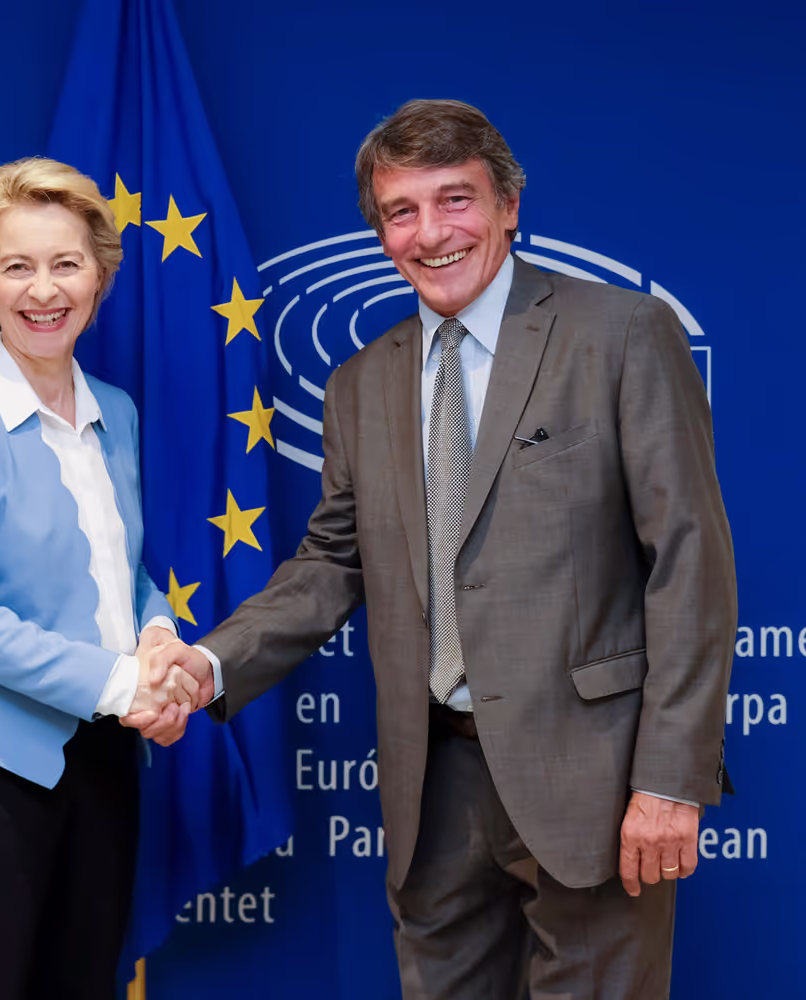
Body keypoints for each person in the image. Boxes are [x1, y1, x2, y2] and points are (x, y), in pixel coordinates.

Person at [131, 100, 738, 998]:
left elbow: (691, 563)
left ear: (508, 206)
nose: (431, 233)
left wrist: (671, 781)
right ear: (380, 232)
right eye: (400, 212)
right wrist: (209, 664)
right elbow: (333, 563)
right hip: (432, 785)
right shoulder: (360, 382)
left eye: (455, 200)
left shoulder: (620, 335)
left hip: (595, 783)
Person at [0, 157, 196, 1000]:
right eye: (16, 265)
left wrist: (159, 642)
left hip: (100, 760)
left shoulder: (116, 412)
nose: (43, 290)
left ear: (100, 275)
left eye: (65, 263)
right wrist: (121, 682)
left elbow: (119, 570)